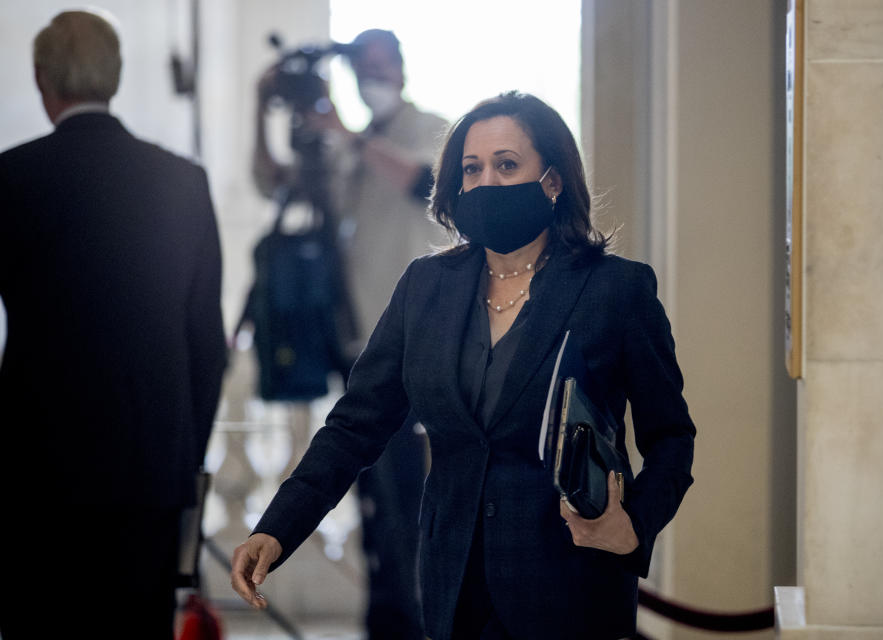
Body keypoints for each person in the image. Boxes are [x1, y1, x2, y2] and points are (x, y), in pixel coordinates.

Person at [232, 91, 696, 640]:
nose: (486, 184)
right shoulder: (425, 287)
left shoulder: (616, 290)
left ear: (552, 181)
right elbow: (355, 424)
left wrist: (634, 526)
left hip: (572, 589)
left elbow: (671, 438)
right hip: (454, 591)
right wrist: (278, 528)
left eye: (506, 165)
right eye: (472, 169)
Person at [0, 10, 226, 639]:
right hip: (148, 472)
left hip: (34, 472)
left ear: (41, 79)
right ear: (117, 77)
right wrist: (184, 455)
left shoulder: (11, 179)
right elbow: (206, 344)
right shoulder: (184, 182)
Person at [252, 28, 448, 639]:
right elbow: (273, 182)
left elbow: (427, 185)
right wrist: (261, 111)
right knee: (375, 513)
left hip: (420, 347)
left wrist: (348, 133)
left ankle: (418, 624)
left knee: (410, 512)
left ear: (402, 68)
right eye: (361, 68)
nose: (373, 78)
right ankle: (386, 625)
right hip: (359, 349)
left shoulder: (431, 130)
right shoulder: (343, 149)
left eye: (380, 66)